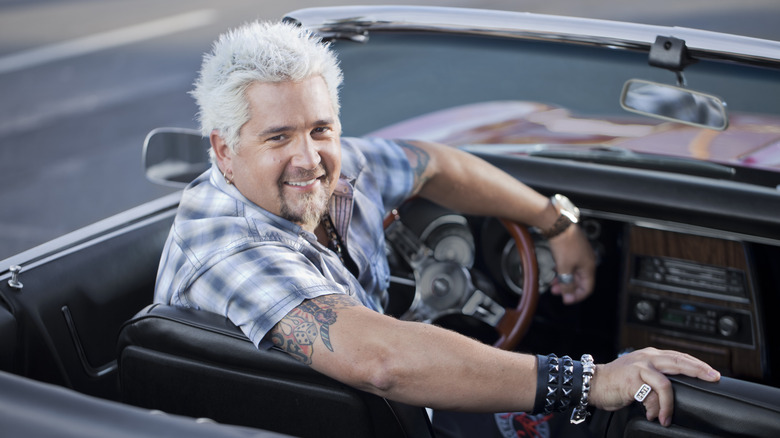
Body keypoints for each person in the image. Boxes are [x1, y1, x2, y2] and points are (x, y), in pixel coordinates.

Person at [154, 20, 720, 435]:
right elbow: (382, 360)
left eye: (321, 128)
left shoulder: (339, 166)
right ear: (224, 150)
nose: (311, 158)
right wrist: (590, 379)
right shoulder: (227, 241)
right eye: (278, 137)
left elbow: (436, 164)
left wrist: (554, 222)